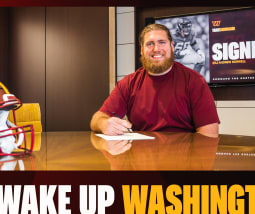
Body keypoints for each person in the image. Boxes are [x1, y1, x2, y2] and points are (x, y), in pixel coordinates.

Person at [90, 23, 219, 137]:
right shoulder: (128, 84)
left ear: (172, 46)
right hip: (140, 161)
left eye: (162, 42)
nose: (156, 49)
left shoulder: (194, 81)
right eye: (149, 44)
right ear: (141, 50)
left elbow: (209, 134)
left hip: (181, 162)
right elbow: (97, 119)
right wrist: (104, 124)